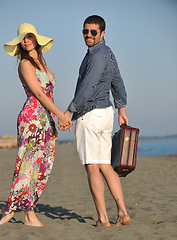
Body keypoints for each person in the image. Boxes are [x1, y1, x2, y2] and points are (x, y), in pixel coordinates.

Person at [58, 15, 131, 227]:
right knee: (105, 165)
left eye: (93, 32)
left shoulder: (96, 56)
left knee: (92, 167)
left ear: (102, 33)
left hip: (90, 115)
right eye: (85, 31)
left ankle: (103, 219)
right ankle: (123, 212)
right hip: (106, 114)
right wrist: (121, 110)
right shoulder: (108, 53)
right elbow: (118, 82)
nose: (88, 35)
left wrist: (68, 112)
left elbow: (87, 87)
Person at [0, 23, 72, 227]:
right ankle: (25, 213)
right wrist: (61, 116)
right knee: (27, 165)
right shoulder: (25, 64)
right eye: (23, 38)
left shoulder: (42, 62)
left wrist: (54, 119)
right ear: (20, 43)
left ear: (36, 39)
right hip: (31, 118)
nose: (26, 40)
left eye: (29, 36)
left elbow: (47, 94)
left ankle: (15, 208)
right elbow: (38, 94)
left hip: (45, 118)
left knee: (42, 166)